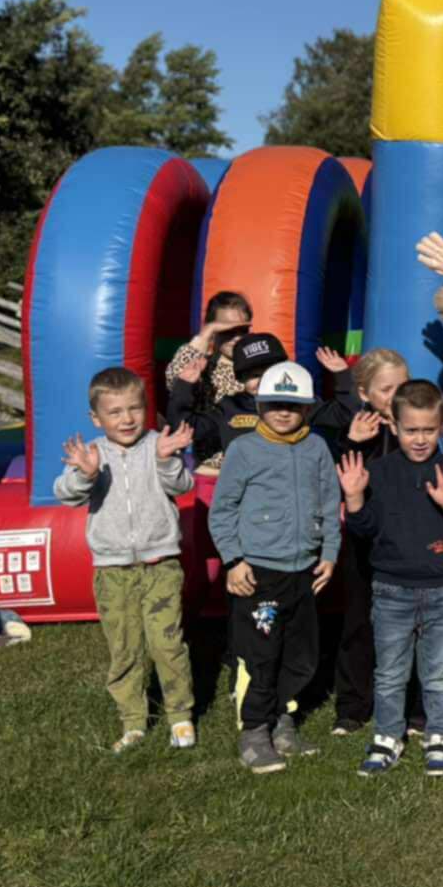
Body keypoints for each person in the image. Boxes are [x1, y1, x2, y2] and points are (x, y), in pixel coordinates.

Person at [53, 368, 198, 752]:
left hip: (160, 565)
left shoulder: (157, 444)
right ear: (96, 418)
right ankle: (133, 720)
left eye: (134, 408)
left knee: (167, 644)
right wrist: (85, 475)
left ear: (146, 409)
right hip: (112, 570)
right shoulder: (93, 453)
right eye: (115, 412)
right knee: (125, 647)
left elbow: (184, 485)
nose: (127, 419)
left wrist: (166, 460)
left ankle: (180, 715)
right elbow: (65, 494)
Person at [343, 379, 443, 778]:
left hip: (442, 591)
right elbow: (364, 531)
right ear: (394, 426)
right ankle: (388, 736)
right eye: (411, 430)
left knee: (438, 673)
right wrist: (354, 499)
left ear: (442, 427)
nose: (420, 439)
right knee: (389, 673)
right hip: (391, 590)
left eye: (428, 430)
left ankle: (439, 735)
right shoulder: (379, 472)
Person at [207, 361, 340, 774]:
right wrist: (233, 561)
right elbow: (222, 510)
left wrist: (330, 554)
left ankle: (283, 720)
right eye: (275, 404)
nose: (284, 412)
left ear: (307, 408)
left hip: (305, 572)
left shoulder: (317, 448)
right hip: (258, 574)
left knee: (301, 655)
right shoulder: (244, 450)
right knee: (260, 655)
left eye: (293, 405)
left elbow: (330, 503)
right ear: (260, 405)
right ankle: (254, 731)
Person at [308, 346, 408, 736]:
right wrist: (353, 443)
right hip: (363, 541)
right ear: (364, 394)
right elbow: (338, 484)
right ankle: (352, 706)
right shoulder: (353, 429)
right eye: (386, 389)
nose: (396, 396)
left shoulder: (415, 428)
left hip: (405, 540)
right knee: (358, 622)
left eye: (402, 386)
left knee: (411, 624)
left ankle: (409, 703)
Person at [163, 291, 253, 474]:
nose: (236, 337)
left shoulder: (257, 367)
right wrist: (205, 335)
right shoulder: (204, 366)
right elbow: (175, 378)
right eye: (227, 330)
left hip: (252, 468)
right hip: (211, 470)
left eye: (242, 330)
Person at [168, 330, 292, 463]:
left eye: (269, 374)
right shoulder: (229, 408)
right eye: (254, 376)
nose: (262, 381)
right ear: (241, 379)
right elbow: (188, 427)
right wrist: (184, 386)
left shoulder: (298, 403)